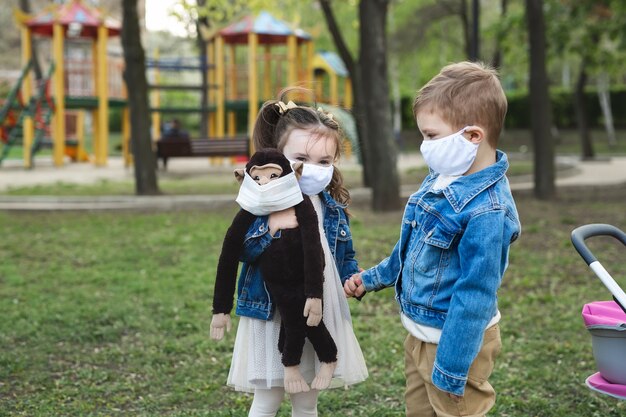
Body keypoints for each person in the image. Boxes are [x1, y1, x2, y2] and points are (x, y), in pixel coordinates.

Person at [344, 61, 521, 416]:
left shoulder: (488, 212)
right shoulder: (442, 177)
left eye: (431, 135)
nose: (424, 146)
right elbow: (410, 248)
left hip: (455, 344)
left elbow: (475, 294)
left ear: (472, 136)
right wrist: (373, 278)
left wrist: (452, 366)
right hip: (420, 332)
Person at [210, 88, 368, 417]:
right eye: (302, 159)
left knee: (307, 400)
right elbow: (241, 252)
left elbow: (344, 253)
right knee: (267, 399)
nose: (314, 169)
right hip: (271, 311)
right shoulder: (261, 205)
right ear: (277, 156)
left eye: (324, 161)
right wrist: (270, 230)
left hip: (317, 308)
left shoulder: (331, 208)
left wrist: (351, 278)